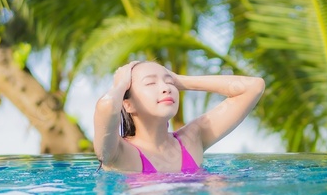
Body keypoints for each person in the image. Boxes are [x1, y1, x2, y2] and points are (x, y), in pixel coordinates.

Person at [93, 60, 265, 173]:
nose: (166, 88)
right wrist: (121, 83)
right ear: (128, 104)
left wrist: (181, 80)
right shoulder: (119, 153)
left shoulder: (192, 139)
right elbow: (107, 106)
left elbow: (254, 86)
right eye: (151, 83)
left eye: (169, 83)